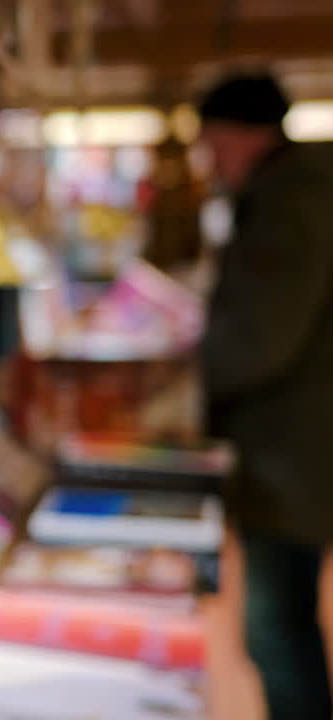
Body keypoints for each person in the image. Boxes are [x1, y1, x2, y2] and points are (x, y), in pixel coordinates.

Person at [199, 70, 333, 718]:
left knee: (277, 627)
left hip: (293, 452)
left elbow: (263, 334)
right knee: (286, 621)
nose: (211, 161)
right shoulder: (303, 191)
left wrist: (197, 382)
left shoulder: (288, 203)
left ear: (245, 137)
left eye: (214, 145)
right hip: (302, 443)